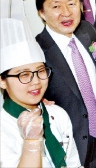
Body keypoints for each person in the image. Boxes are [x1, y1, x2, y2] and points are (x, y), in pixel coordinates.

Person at [34, 0, 96, 167]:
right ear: (41, 12)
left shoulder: (86, 31)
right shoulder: (37, 51)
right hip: (68, 145)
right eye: (56, 6)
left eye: (72, 4)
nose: (66, 13)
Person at [0, 18, 81, 167]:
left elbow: (74, 163)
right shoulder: (3, 127)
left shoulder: (58, 114)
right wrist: (31, 143)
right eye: (24, 75)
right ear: (2, 81)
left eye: (40, 71)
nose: (36, 81)